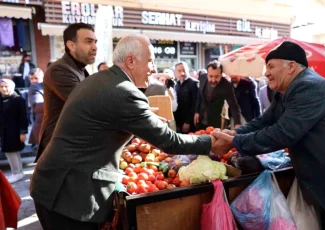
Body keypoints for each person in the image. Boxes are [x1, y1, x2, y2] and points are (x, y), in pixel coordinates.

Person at [30, 34, 215, 229]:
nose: (153, 69)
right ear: (130, 61)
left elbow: (103, 126)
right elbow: (170, 142)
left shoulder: (102, 79)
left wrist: (141, 121)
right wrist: (211, 142)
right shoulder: (125, 92)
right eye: (150, 62)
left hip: (54, 188)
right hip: (68, 199)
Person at [210, 41, 325, 230]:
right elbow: (265, 121)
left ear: (291, 67)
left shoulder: (308, 87)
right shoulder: (285, 91)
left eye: (271, 66)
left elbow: (282, 133)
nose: (266, 73)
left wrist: (235, 142)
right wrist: (236, 132)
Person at [35, 23, 97, 162]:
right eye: (88, 42)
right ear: (71, 45)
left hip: (73, 145)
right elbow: (86, 105)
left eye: (95, 42)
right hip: (59, 149)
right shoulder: (60, 70)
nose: (94, 47)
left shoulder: (81, 69)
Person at [194, 61, 241, 129]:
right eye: (211, 76)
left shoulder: (227, 86)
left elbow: (234, 105)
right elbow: (199, 95)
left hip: (217, 123)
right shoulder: (202, 78)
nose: (213, 80)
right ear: (207, 74)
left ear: (221, 74)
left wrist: (237, 123)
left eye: (216, 76)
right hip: (201, 119)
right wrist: (196, 111)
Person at [0, 79, 28, 183]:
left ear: (12, 87)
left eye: (6, 86)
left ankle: (16, 173)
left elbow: (23, 117)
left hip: (14, 131)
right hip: (4, 131)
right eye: (1, 86)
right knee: (10, 152)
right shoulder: (1, 100)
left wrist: (23, 132)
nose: (3, 89)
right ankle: (19, 172)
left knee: (11, 151)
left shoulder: (18, 100)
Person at [174, 61, 199, 133]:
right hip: (179, 122)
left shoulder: (194, 83)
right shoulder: (177, 85)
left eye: (184, 70)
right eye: (179, 71)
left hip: (190, 123)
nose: (182, 73)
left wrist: (188, 122)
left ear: (187, 70)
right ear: (176, 72)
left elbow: (195, 104)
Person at [28, 68, 44, 148]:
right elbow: (38, 107)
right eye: (31, 78)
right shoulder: (34, 88)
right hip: (41, 126)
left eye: (36, 78)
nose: (34, 81)